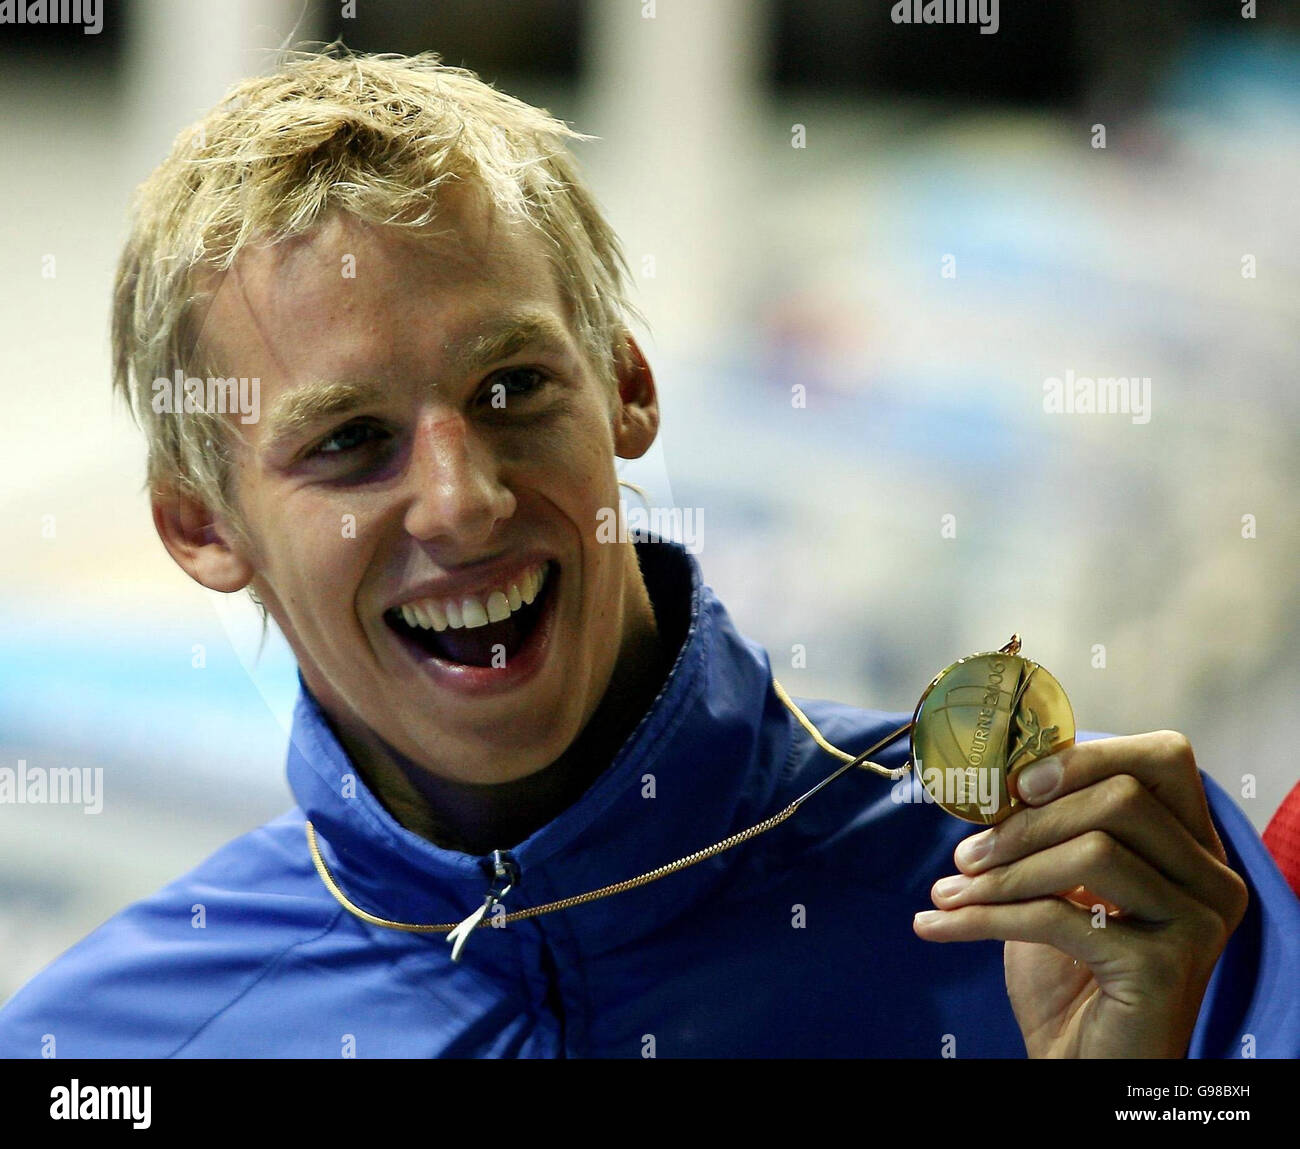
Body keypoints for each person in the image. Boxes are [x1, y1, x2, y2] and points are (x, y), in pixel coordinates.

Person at [1, 48, 1295, 1059]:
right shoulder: (113, 1040)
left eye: (512, 388)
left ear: (626, 386)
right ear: (199, 528)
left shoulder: (1108, 904)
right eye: (348, 441)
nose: (460, 501)